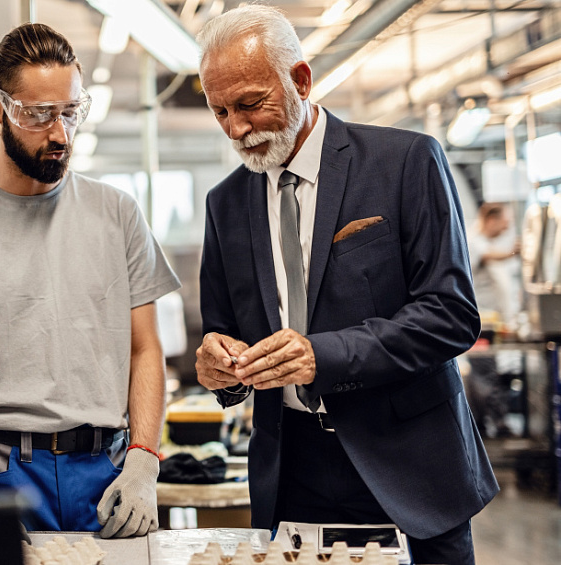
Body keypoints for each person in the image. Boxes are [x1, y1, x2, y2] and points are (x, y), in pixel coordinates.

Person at [192, 6, 498, 565]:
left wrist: (322, 355)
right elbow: (223, 330)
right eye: (220, 111)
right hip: (291, 472)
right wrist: (220, 368)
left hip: (409, 466)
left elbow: (450, 315)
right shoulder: (226, 204)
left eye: (251, 104)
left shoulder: (404, 161)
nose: (236, 128)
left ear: (302, 80)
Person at [0, 23, 180, 537]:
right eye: (38, 115)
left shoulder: (119, 215)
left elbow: (144, 350)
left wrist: (143, 464)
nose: (59, 133)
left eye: (69, 112)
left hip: (107, 472)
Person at [465, 202, 521, 437]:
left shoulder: (487, 242)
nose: (506, 228)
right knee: (484, 375)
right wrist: (515, 251)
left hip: (493, 322)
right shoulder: (473, 241)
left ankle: (491, 422)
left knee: (490, 374)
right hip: (480, 323)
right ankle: (489, 425)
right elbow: (489, 257)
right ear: (491, 219)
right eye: (504, 222)